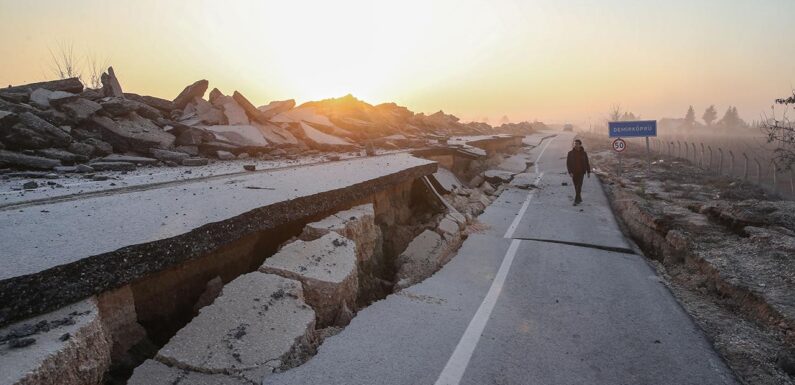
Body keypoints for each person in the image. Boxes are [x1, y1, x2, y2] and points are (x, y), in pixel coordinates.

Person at [566, 139, 591, 205]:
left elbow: (587, 163)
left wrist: (588, 172)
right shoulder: (570, 153)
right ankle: (579, 198)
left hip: (581, 172)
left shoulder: (584, 153)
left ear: (580, 144)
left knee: (579, 186)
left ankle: (576, 201)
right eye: (575, 143)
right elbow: (568, 164)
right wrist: (570, 172)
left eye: (577, 143)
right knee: (576, 186)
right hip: (573, 172)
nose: (575, 145)